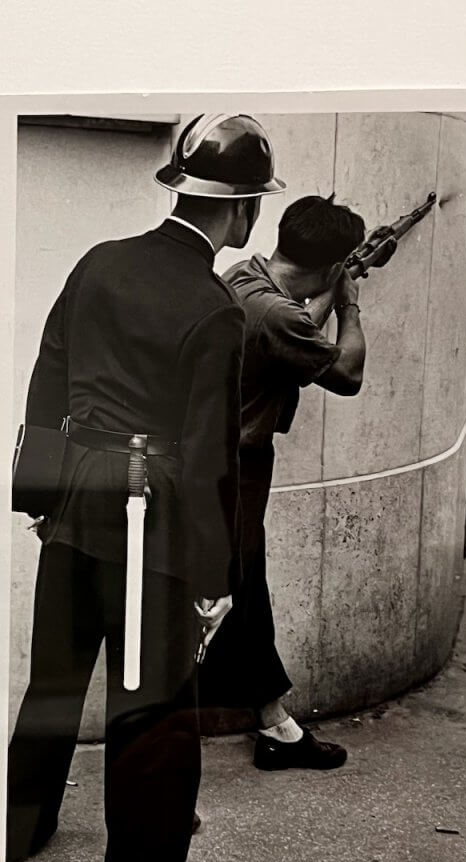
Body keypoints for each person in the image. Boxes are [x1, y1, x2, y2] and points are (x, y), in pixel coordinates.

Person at [6, 114, 285, 862]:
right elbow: (206, 458)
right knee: (153, 703)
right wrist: (214, 579)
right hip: (148, 518)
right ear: (241, 211)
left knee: (55, 684)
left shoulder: (99, 263)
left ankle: (18, 831)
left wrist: (40, 495)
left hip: (78, 502)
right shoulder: (213, 306)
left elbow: (47, 379)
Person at [199, 194, 388, 771]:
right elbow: (347, 374)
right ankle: (169, 755)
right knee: (219, 602)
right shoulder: (281, 315)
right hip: (232, 471)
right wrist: (351, 303)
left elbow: (295, 314)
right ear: (330, 265)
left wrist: (343, 272)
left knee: (246, 593)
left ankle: (276, 725)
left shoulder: (244, 276)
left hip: (217, 464)